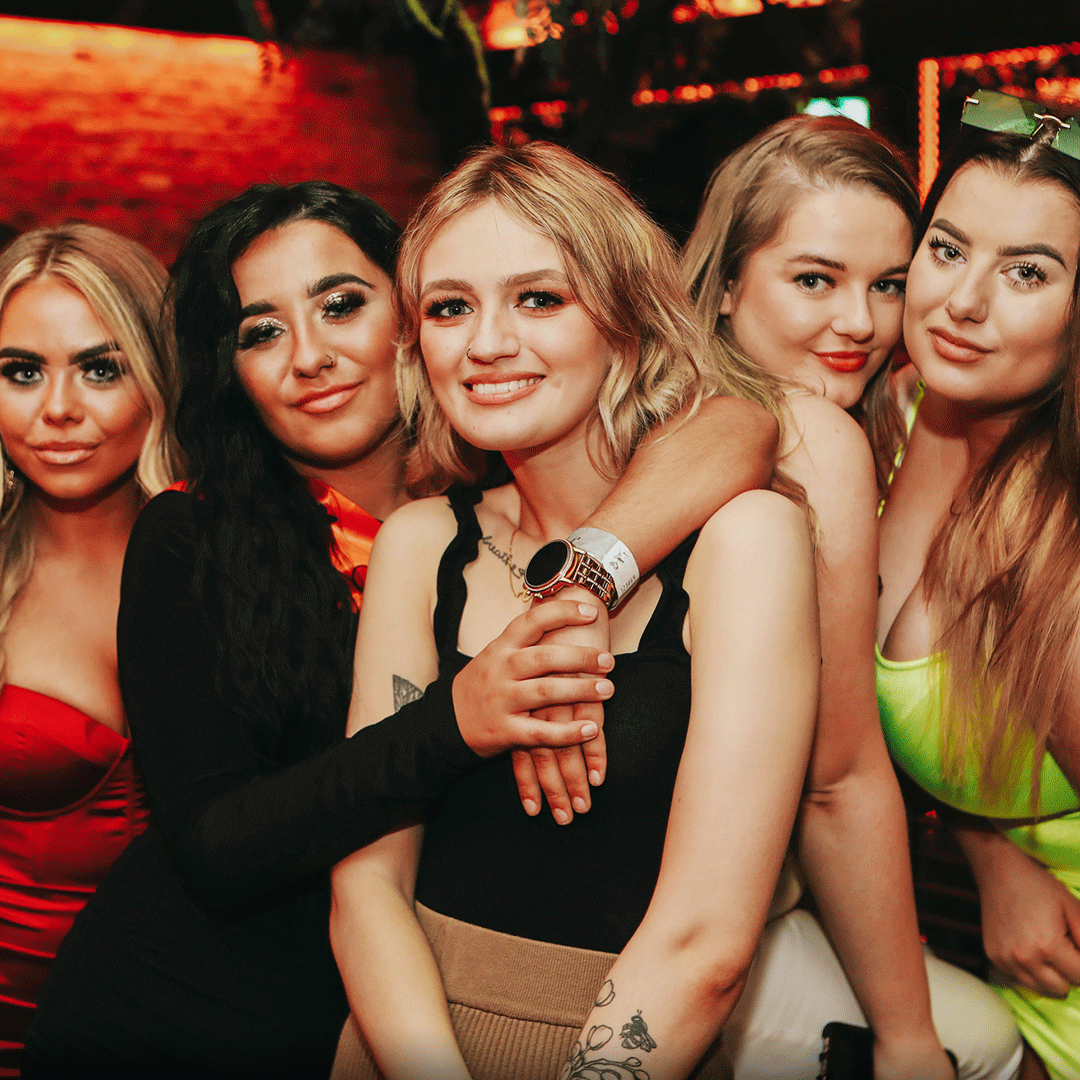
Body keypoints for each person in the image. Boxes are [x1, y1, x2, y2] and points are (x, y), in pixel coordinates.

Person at [23, 181, 776, 1078]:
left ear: (408, 322)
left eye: (342, 305)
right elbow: (218, 845)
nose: (309, 355)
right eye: (260, 330)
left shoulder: (488, 508)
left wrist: (578, 590)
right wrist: (459, 716)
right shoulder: (194, 535)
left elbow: (738, 420)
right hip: (180, 1023)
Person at [329, 140, 821, 1080]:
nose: (485, 343)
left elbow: (707, 945)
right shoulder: (422, 544)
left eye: (539, 298)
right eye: (449, 308)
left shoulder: (743, 542)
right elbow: (367, 886)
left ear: (627, 322)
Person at [681, 114, 1022, 1080]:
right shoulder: (809, 437)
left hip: (739, 913)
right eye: (815, 280)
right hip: (688, 930)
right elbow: (835, 779)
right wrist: (907, 1042)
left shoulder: (866, 423)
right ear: (725, 282)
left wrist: (989, 852)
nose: (861, 324)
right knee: (986, 1047)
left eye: (890, 284)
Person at [877, 91, 1080, 1080]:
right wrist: (988, 849)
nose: (962, 301)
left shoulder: (1063, 552)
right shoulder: (911, 409)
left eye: (1028, 273)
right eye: (948, 249)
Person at [0, 223, 181, 1074]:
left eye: (100, 368)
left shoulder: (243, 563)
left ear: (156, 379)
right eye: (21, 372)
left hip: (196, 1032)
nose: (58, 410)